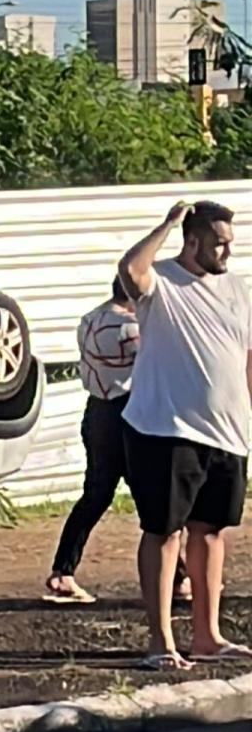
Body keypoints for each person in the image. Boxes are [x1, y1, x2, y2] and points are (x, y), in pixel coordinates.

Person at [119, 200, 252, 670]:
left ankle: (207, 636)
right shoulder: (162, 283)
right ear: (192, 240)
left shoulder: (237, 289)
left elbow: (246, 357)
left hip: (227, 434)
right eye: (218, 242)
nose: (226, 251)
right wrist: (167, 224)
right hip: (165, 429)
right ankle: (161, 642)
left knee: (211, 532)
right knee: (164, 531)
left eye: (230, 243)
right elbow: (129, 270)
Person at [45, 277, 189, 604]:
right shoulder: (133, 327)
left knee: (96, 494)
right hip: (132, 412)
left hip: (97, 410)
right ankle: (178, 578)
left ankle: (63, 570)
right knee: (154, 499)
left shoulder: (90, 319)